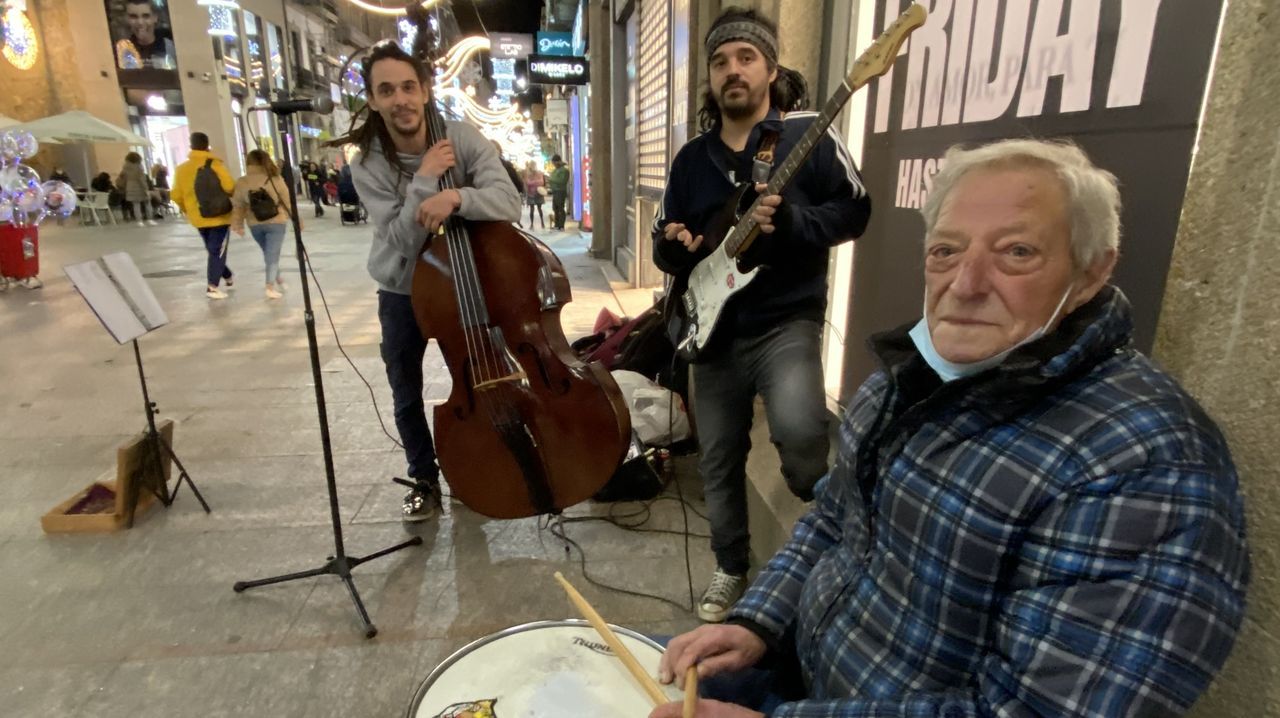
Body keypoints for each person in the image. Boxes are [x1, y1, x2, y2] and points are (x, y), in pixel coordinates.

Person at [649, 138, 1250, 718]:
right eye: (946, 251)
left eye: (1016, 252)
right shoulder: (907, 375)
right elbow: (836, 518)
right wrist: (760, 622)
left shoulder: (1146, 465)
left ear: (1092, 272)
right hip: (803, 677)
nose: (965, 285)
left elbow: (1037, 710)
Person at [652, 7, 870, 623]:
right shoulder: (691, 159)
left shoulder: (807, 136)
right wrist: (673, 246)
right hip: (712, 330)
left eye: (746, 57)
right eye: (720, 61)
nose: (732, 70)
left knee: (803, 437)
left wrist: (795, 226)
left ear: (771, 69)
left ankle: (834, 536)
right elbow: (666, 239)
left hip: (785, 323)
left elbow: (856, 211)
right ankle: (730, 565)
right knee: (718, 456)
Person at [343, 41, 521, 521]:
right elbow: (402, 240)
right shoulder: (366, 165)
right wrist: (424, 180)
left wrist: (456, 197)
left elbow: (507, 201)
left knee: (474, 381)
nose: (399, 99)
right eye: (386, 90)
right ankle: (424, 477)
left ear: (423, 90)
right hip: (401, 291)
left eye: (407, 86)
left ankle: (471, 469)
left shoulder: (461, 139)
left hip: (460, 283)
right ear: (374, 100)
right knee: (406, 391)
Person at [171, 132, 236, 299]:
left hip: (198, 217)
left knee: (212, 249)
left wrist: (188, 208)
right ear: (207, 146)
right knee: (216, 250)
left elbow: (176, 195)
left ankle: (227, 275)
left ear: (190, 146)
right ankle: (212, 286)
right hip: (219, 215)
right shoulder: (215, 165)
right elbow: (229, 187)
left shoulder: (181, 169)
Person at [230, 149, 291, 299]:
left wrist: (237, 224)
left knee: (269, 252)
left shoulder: (242, 181)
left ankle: (278, 279)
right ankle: (270, 286)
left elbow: (238, 205)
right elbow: (287, 201)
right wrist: (296, 219)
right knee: (272, 253)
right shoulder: (275, 179)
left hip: (254, 223)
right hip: (276, 221)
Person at [116, 0, 176, 70]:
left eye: (146, 16)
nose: (140, 23)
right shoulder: (122, 50)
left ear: (155, 18)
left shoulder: (171, 48)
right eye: (134, 17)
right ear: (126, 19)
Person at [116, 152, 152, 226]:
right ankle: (149, 219)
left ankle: (139, 221)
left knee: (136, 204)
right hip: (140, 186)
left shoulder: (125, 167)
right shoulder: (139, 166)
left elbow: (122, 176)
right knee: (147, 203)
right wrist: (146, 188)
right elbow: (141, 178)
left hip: (130, 186)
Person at [547, 154, 570, 230]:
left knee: (560, 208)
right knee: (555, 208)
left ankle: (561, 225)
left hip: (560, 191)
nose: (554, 164)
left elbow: (562, 181)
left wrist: (551, 179)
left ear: (558, 161)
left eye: (554, 163)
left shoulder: (564, 170)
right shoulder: (555, 170)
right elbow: (551, 178)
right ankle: (557, 224)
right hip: (555, 191)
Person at [523, 160, 547, 229]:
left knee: (539, 208)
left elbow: (541, 182)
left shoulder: (539, 173)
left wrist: (532, 182)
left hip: (538, 193)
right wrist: (535, 182)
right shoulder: (527, 174)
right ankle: (532, 224)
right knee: (532, 209)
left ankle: (542, 222)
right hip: (531, 194)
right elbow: (527, 183)